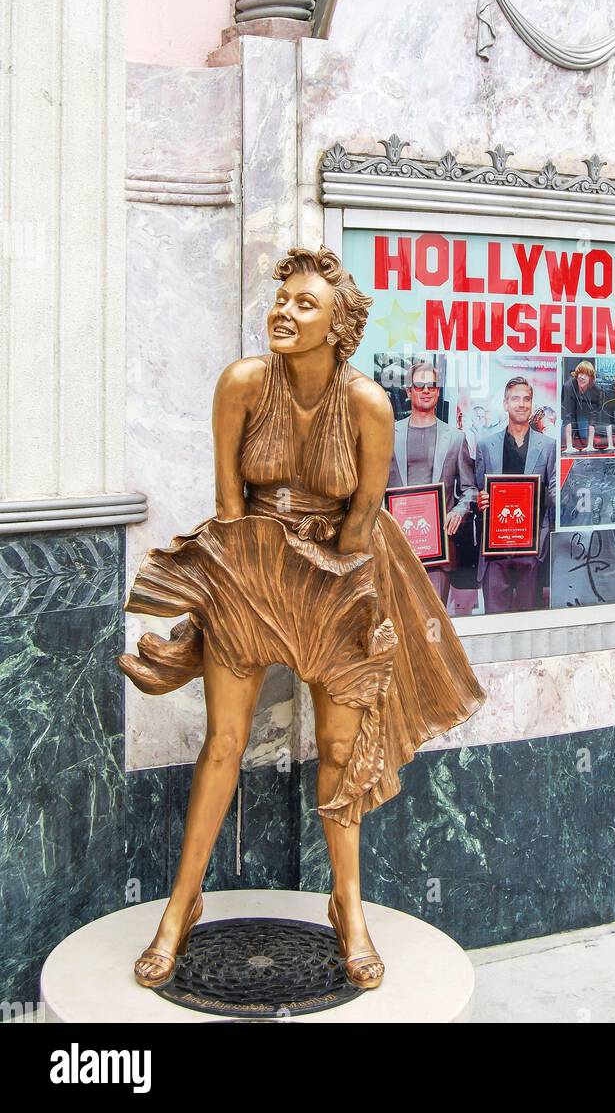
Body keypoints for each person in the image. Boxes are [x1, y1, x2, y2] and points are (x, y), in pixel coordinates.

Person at [118, 246, 486, 992]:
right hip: (251, 563)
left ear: (338, 326)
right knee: (222, 741)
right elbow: (229, 507)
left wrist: (325, 600)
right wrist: (241, 592)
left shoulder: (368, 405)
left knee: (343, 750)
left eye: (304, 305)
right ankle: (179, 908)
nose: (284, 313)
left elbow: (361, 524)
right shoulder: (243, 385)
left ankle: (346, 907)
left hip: (340, 576)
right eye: (281, 300)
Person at [387, 360, 476, 605]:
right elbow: (376, 489)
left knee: (434, 626)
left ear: (438, 391)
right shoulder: (387, 435)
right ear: (409, 391)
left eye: (432, 386)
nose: (426, 390)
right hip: (399, 547)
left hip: (440, 549)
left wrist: (459, 510)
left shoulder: (456, 438)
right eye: (419, 385)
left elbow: (470, 489)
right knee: (402, 622)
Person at [474, 378, 556, 613]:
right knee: (494, 623)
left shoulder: (548, 446)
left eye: (527, 399)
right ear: (505, 404)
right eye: (516, 399)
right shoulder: (485, 445)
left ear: (532, 404)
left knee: (529, 626)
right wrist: (480, 500)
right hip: (494, 551)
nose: (522, 404)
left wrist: (537, 498)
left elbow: (554, 494)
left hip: (531, 549)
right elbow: (478, 489)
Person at [561, 360, 603, 453]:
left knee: (584, 435)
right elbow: (567, 414)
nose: (581, 377)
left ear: (591, 378)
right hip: (572, 414)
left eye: (585, 374)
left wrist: (590, 446)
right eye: (580, 373)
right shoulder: (568, 386)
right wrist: (569, 446)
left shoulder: (596, 390)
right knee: (562, 436)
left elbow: (593, 416)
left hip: (585, 414)